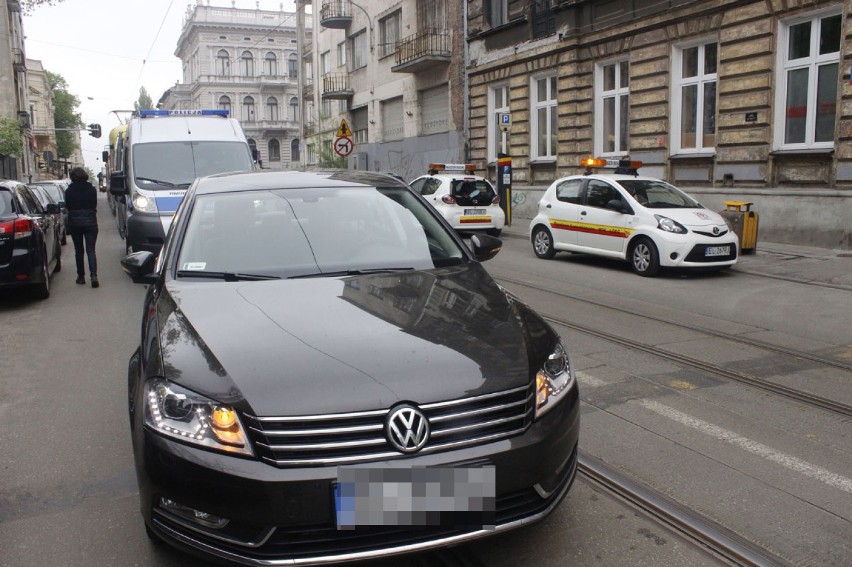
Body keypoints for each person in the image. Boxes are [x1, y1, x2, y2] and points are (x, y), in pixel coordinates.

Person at [65, 167, 99, 288]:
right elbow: (94, 205)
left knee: (79, 251)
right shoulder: (91, 189)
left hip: (75, 224)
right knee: (91, 250)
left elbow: (68, 207)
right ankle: (94, 276)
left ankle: (81, 277)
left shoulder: (69, 191)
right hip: (90, 222)